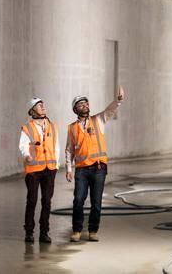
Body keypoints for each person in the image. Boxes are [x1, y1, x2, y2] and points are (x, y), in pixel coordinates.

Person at [65, 86, 125, 242]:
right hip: (82, 170)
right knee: (78, 200)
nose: (85, 106)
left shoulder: (98, 120)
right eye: (81, 104)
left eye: (86, 103)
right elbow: (69, 150)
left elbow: (109, 111)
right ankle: (77, 230)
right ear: (75, 109)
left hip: (99, 168)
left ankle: (93, 230)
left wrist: (117, 101)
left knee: (96, 202)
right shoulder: (72, 128)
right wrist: (68, 169)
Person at [19, 97, 60, 243]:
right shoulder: (27, 128)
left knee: (47, 202)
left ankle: (44, 233)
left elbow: (56, 147)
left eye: (43, 104)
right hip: (34, 170)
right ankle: (29, 232)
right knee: (32, 200)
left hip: (50, 169)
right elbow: (23, 145)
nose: (42, 106)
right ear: (32, 111)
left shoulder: (52, 126)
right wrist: (27, 155)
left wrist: (57, 165)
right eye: (38, 105)